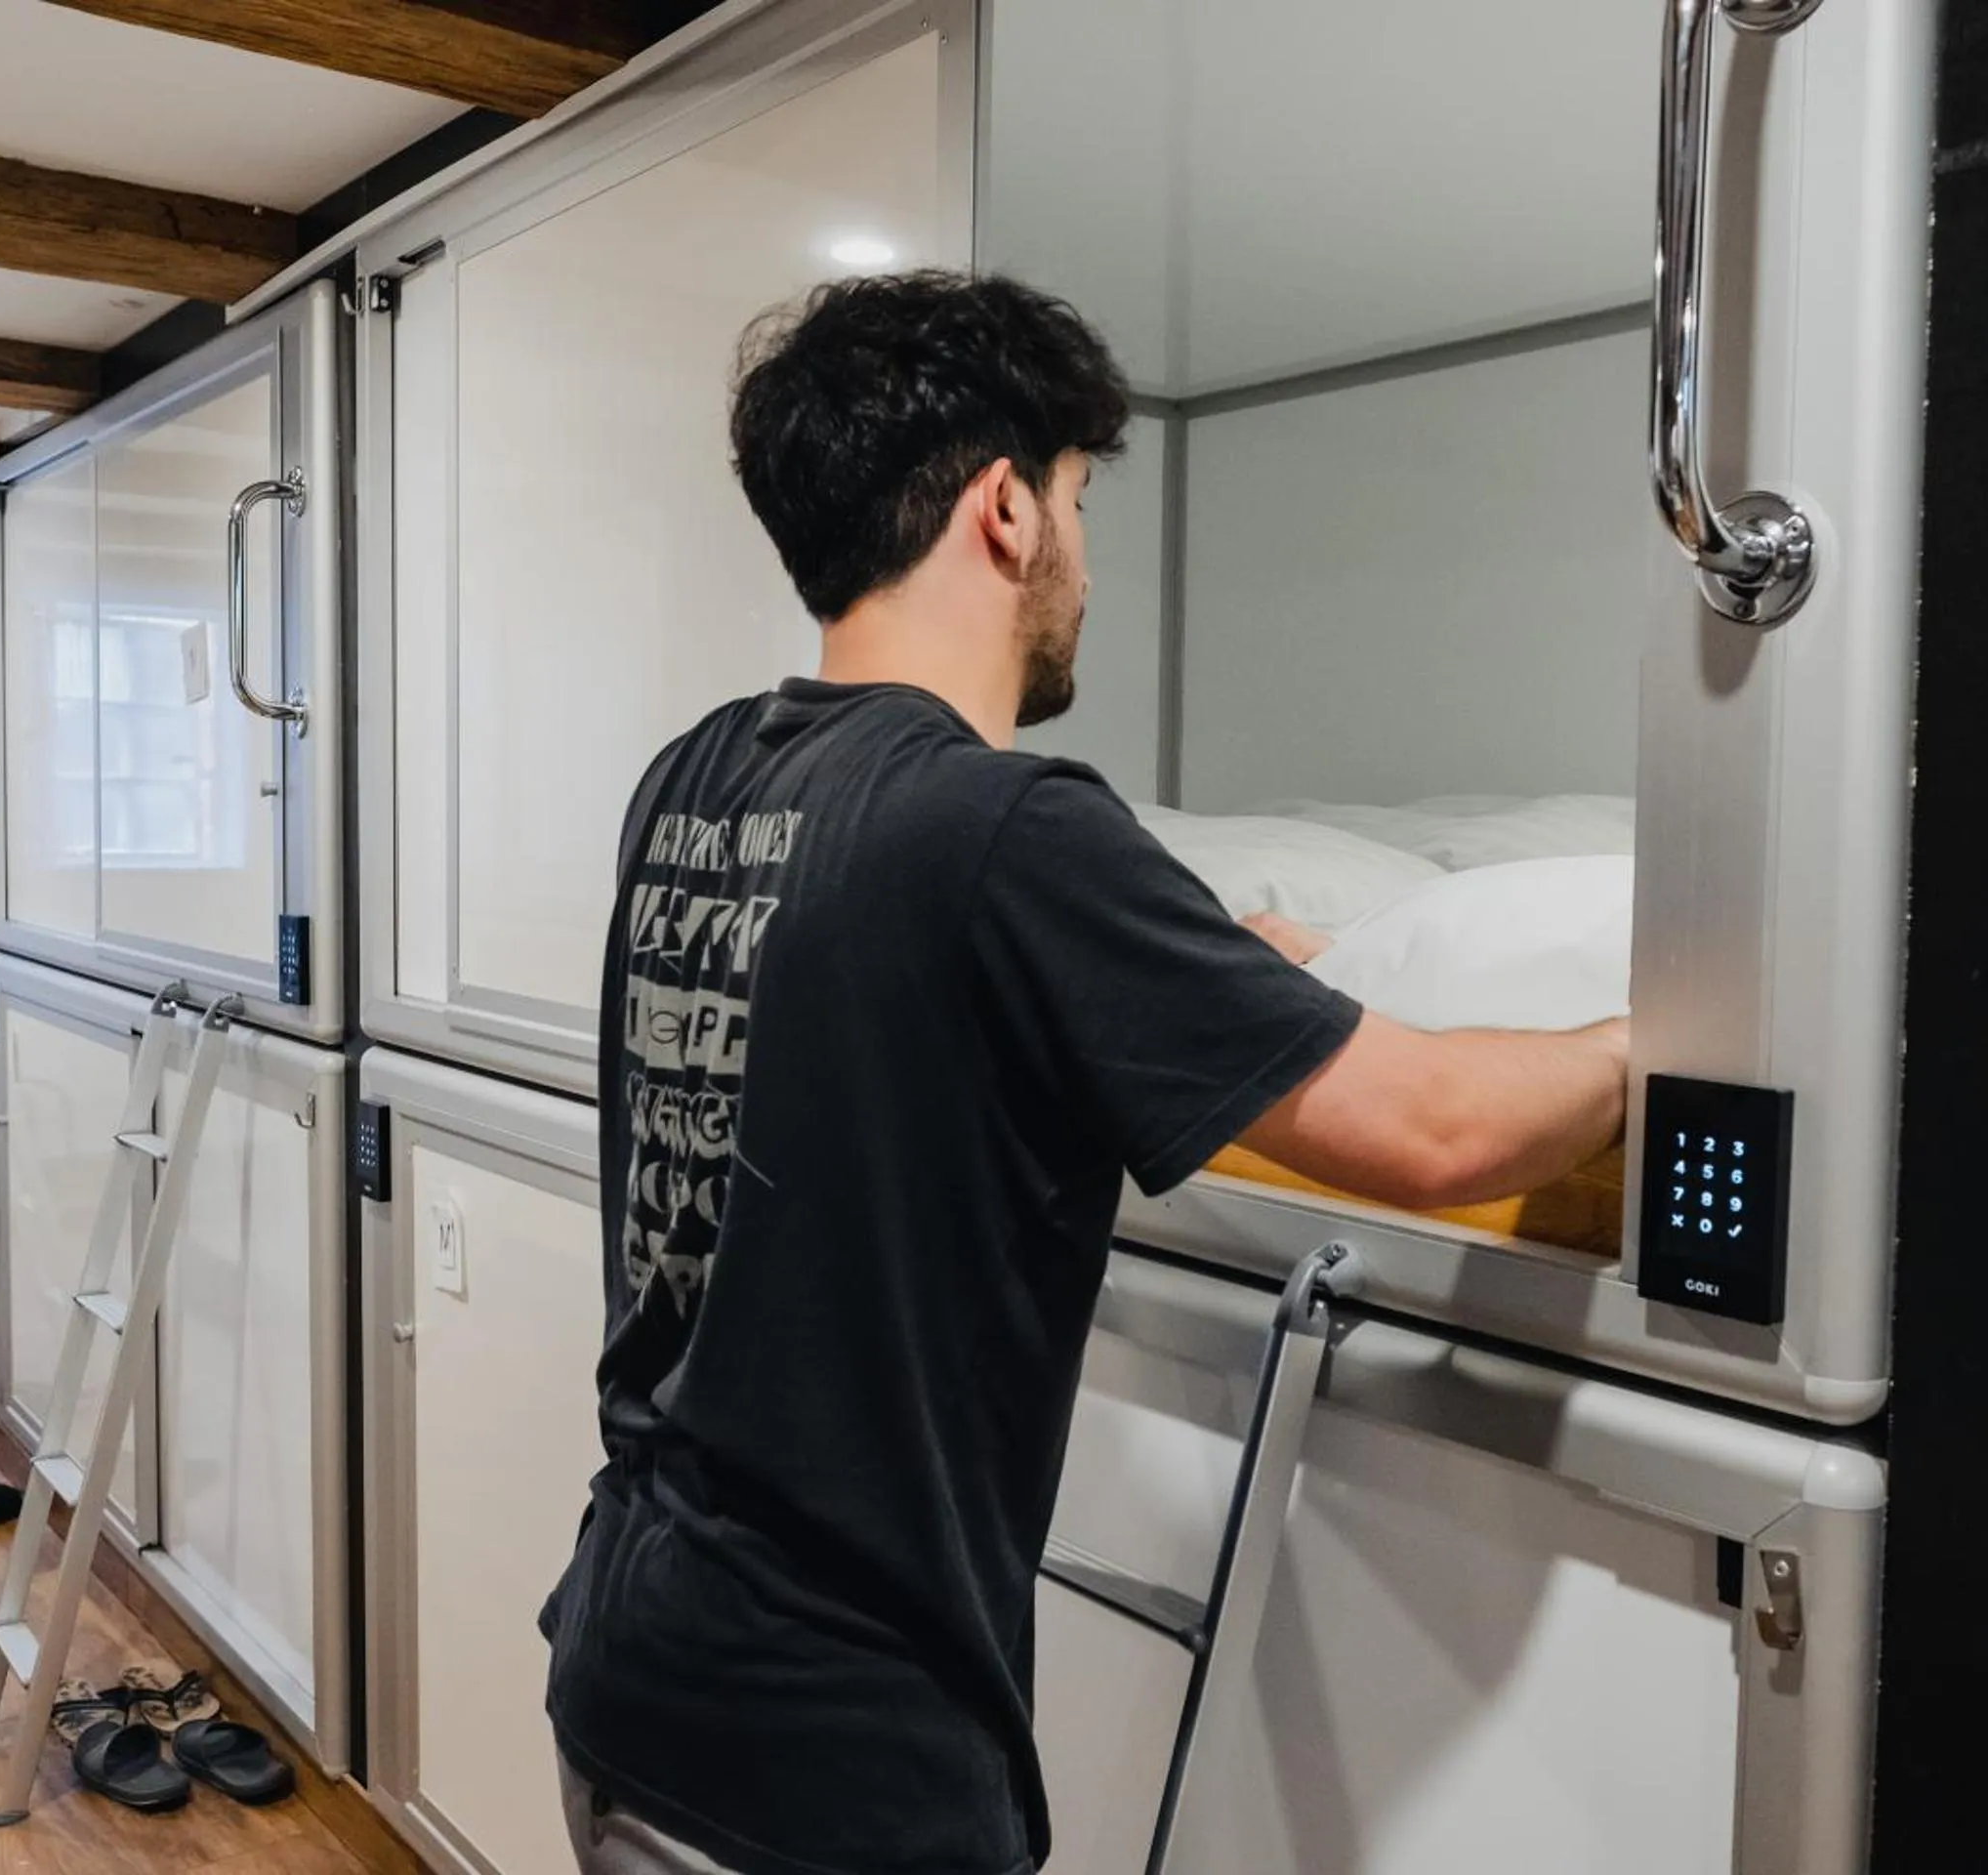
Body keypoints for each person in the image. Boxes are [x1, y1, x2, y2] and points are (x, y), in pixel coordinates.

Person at [540, 270, 1628, 1875]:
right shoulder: (1010, 832)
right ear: (1001, 511)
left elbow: (880, 1017)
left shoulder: (690, 783)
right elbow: (1438, 1129)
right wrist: (1655, 1044)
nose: (1083, 554)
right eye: (1074, 497)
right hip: (830, 1763)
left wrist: (1217, 972)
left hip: (630, 1663)